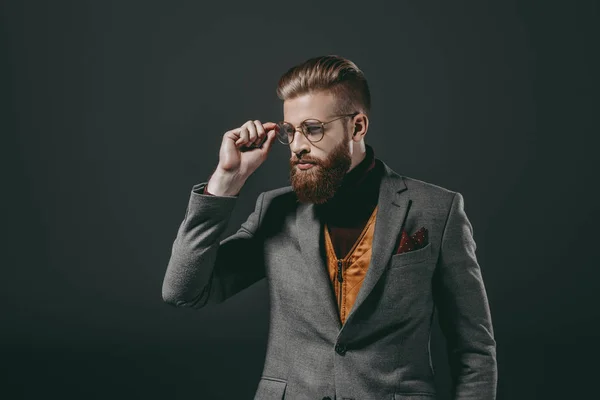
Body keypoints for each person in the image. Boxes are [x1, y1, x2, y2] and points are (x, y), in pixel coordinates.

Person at [162, 55, 497, 400]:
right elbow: (183, 291)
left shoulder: (436, 210)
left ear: (357, 127)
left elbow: (473, 348)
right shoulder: (274, 211)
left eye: (313, 128)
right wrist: (225, 183)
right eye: (290, 132)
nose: (298, 145)